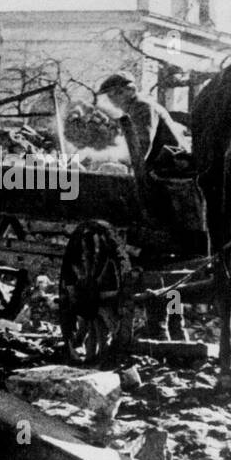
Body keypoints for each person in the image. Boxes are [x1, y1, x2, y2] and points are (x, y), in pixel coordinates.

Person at [95, 74, 192, 341]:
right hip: (170, 187)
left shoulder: (142, 107)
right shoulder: (140, 109)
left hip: (164, 187)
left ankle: (164, 326)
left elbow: (142, 148)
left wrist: (117, 164)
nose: (111, 101)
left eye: (113, 95)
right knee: (168, 271)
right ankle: (171, 327)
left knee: (159, 266)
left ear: (125, 92)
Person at [95, 74, 191, 175]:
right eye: (110, 96)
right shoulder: (134, 108)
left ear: (131, 91)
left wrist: (124, 165)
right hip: (166, 163)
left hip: (172, 166)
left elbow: (142, 146)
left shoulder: (141, 107)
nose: (113, 99)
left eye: (117, 93)